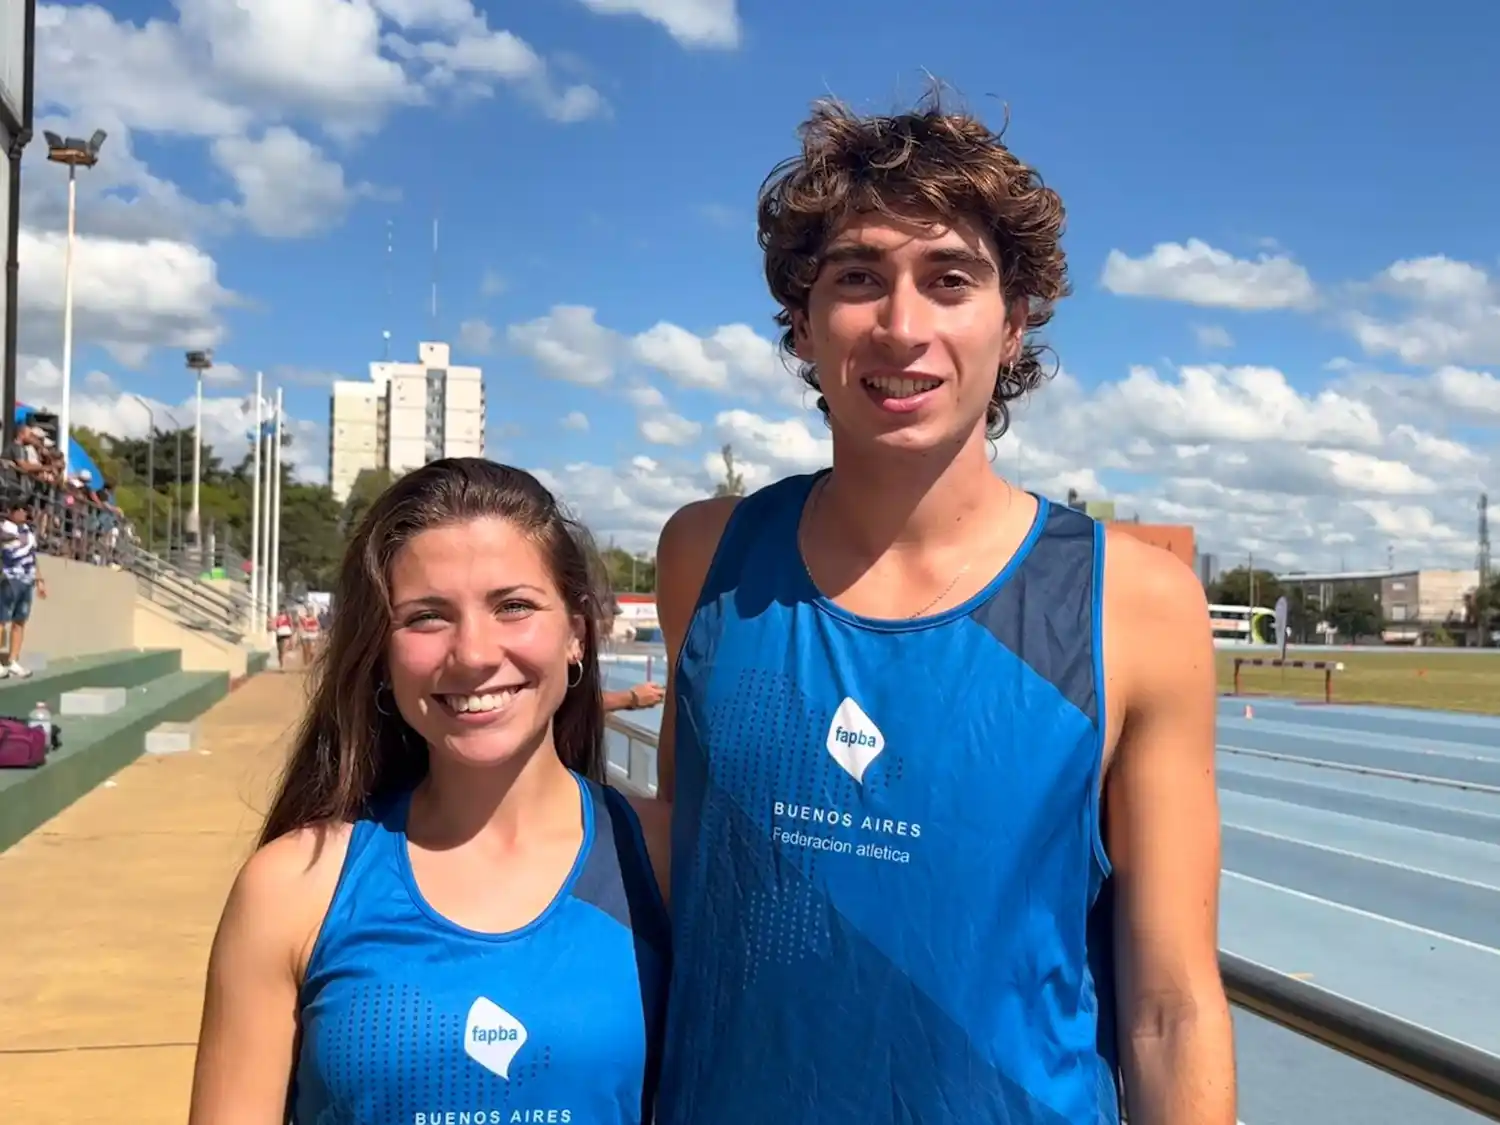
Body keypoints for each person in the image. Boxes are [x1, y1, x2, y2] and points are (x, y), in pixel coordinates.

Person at [651, 94, 1234, 1125]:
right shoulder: (707, 558)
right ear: (802, 321)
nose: (902, 326)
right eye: (858, 277)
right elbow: (690, 888)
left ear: (1013, 325)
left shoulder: (1135, 605)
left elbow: (1171, 1008)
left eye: (950, 279)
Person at [188, 458, 672, 1125]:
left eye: (513, 606)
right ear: (382, 655)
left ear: (577, 635)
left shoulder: (667, 862)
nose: (473, 653)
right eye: (426, 617)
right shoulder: (293, 887)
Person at [0, 503, 44, 677]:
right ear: (11, 511)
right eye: (19, 510)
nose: (23, 513)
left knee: (20, 621)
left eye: (25, 510)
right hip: (9, 579)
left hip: (27, 580)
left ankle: (13, 661)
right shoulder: (4, 527)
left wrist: (39, 579)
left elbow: (33, 556)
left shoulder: (28, 531)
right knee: (2, 620)